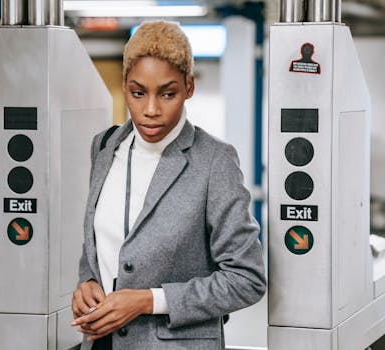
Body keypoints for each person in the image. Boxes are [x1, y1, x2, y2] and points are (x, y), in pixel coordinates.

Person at [71, 21, 266, 350]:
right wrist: (88, 281)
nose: (150, 110)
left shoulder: (214, 161)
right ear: (124, 85)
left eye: (167, 93)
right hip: (102, 343)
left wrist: (149, 301)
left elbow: (246, 279)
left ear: (189, 88)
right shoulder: (104, 148)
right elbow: (102, 247)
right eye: (137, 93)